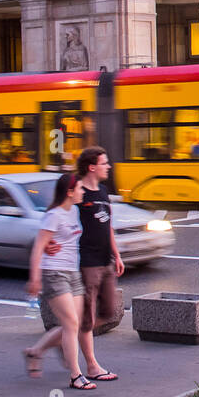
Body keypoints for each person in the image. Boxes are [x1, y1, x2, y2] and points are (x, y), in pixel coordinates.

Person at [23, 172, 97, 390]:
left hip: (72, 273)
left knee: (73, 324)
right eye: (80, 188)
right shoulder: (53, 215)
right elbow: (38, 247)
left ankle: (35, 352)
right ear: (70, 192)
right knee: (71, 324)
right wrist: (35, 279)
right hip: (53, 273)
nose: (83, 191)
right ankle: (76, 375)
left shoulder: (73, 211)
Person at [72, 146, 122, 382]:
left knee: (108, 311)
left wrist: (117, 254)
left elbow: (108, 225)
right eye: (105, 163)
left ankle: (63, 339)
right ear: (92, 167)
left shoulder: (102, 190)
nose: (108, 166)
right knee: (87, 318)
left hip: (106, 260)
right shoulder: (77, 192)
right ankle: (91, 366)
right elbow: (58, 216)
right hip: (88, 261)